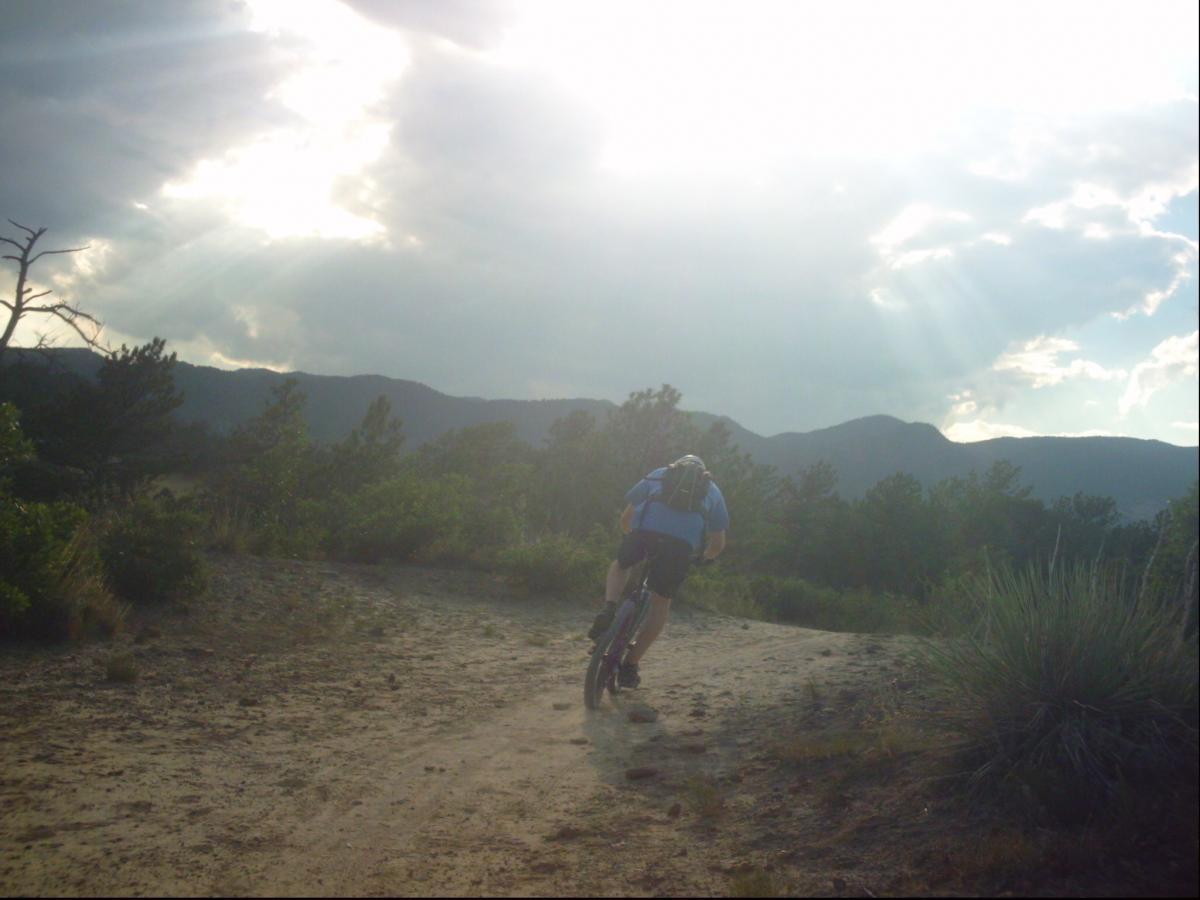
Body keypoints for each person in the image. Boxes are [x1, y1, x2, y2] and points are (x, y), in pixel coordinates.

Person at [591, 454, 729, 688]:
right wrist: (704, 558)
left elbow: (627, 517)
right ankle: (630, 665)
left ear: (677, 466)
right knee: (661, 603)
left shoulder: (659, 474)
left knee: (620, 565)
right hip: (679, 549)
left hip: (644, 536)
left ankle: (609, 607)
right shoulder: (713, 491)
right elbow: (718, 544)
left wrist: (630, 538)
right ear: (703, 474)